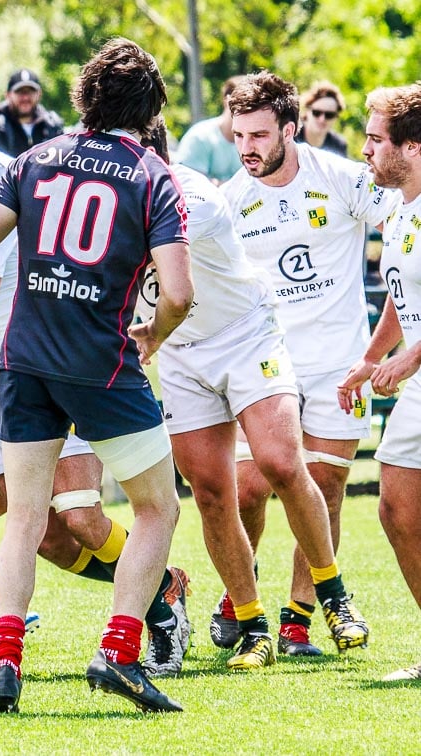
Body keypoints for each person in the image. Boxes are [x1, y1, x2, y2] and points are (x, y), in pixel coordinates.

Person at [0, 38, 192, 714]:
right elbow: (180, 292)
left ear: (84, 98)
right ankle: (119, 652)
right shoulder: (153, 174)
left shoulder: (33, 159)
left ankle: (5, 669)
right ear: (152, 106)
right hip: (101, 365)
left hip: (23, 362)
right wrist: (155, 337)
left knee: (23, 518)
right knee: (156, 507)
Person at [139, 118, 362, 671]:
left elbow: (175, 291)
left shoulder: (192, 195)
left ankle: (332, 596)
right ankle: (252, 625)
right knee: (215, 494)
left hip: (244, 337)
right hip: (184, 354)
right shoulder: (113, 196)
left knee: (282, 463)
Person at [221, 72, 385, 658]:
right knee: (248, 489)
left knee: (327, 487)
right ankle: (240, 594)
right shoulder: (229, 200)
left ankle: (296, 621)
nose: (247, 147)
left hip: (340, 363)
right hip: (266, 363)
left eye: (259, 134)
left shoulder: (339, 178)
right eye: (239, 134)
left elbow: (402, 215)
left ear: (290, 129)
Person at [340, 83, 421, 681]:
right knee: (397, 511)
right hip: (414, 379)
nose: (365, 149)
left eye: (375, 139)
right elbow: (401, 296)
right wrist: (373, 358)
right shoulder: (395, 208)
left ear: (412, 147)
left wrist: (409, 359)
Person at [176, 76, 247, 184]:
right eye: (242, 103)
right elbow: (190, 185)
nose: (247, 110)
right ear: (227, 101)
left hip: (250, 202)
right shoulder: (200, 137)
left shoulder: (256, 142)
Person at [0, 68, 64, 157]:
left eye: (30, 92)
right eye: (19, 92)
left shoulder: (53, 126)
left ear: (39, 94)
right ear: (7, 95)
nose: (25, 98)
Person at [295, 81, 349, 157]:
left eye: (329, 115)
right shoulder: (291, 136)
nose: (322, 119)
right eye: (316, 113)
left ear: (336, 117)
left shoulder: (339, 146)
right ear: (307, 112)